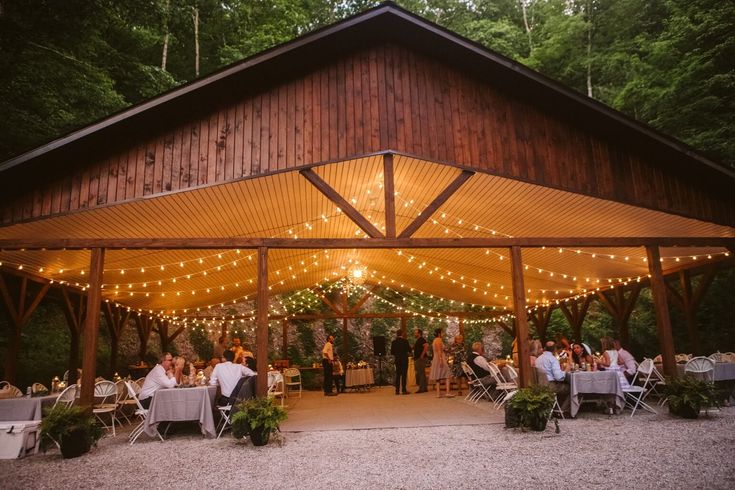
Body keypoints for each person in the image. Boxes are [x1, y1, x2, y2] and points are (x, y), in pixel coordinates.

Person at [536, 341, 571, 415]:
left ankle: (556, 408)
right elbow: (559, 377)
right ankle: (562, 411)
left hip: (539, 386)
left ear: (545, 348)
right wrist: (566, 371)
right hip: (550, 386)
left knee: (563, 386)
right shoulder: (552, 359)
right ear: (554, 349)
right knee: (572, 388)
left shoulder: (538, 359)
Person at [429, 328, 454, 398]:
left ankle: (438, 393)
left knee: (438, 376)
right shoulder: (438, 340)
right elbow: (439, 350)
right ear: (439, 333)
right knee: (447, 374)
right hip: (439, 358)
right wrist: (441, 360)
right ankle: (447, 392)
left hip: (436, 358)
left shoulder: (435, 340)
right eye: (442, 332)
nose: (443, 334)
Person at [391, 331, 411, 395]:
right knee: (404, 375)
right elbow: (409, 350)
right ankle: (404, 390)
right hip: (404, 360)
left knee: (398, 375)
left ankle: (397, 390)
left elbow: (392, 352)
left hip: (397, 360)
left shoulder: (393, 342)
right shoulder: (405, 341)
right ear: (402, 334)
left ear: (397, 334)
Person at [413, 329, 429, 393]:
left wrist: (422, 355)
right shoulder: (418, 340)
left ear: (419, 333)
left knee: (420, 373)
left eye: (415, 333)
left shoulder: (422, 339)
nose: (414, 334)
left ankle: (421, 388)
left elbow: (426, 347)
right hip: (418, 358)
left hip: (420, 359)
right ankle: (424, 388)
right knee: (422, 373)